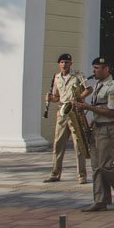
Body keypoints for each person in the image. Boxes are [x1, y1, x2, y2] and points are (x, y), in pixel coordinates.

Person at [74, 57, 114, 211]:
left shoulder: (113, 88)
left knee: (106, 165)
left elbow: (112, 112)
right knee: (97, 167)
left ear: (106, 69)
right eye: (94, 68)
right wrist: (89, 125)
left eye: (97, 68)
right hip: (97, 127)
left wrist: (87, 108)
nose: (93, 71)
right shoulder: (98, 84)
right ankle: (100, 200)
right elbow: (99, 108)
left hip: (108, 129)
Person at [44, 52, 89, 184]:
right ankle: (55, 173)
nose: (64, 65)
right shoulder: (56, 77)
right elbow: (56, 97)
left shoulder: (77, 75)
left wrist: (79, 98)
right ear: (59, 64)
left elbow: (88, 89)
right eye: (62, 62)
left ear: (71, 63)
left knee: (79, 145)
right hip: (63, 112)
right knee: (58, 144)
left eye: (67, 62)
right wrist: (50, 98)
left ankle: (82, 175)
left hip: (75, 111)